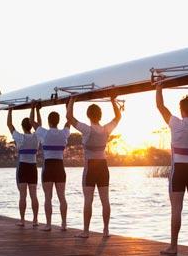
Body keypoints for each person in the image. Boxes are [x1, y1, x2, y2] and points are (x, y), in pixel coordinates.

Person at [155, 77, 188, 255]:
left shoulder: (175, 123)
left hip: (178, 169)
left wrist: (159, 86)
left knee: (176, 209)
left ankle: (173, 246)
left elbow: (160, 107)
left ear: (181, 110)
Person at [66, 95, 122, 238]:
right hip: (103, 167)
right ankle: (106, 231)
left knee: (88, 200)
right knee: (105, 200)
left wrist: (72, 100)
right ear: (100, 115)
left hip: (91, 167)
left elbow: (69, 118)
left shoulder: (87, 129)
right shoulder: (106, 130)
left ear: (88, 116)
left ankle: (86, 231)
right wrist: (112, 101)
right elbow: (118, 117)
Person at [32, 101, 70, 231]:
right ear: (58, 121)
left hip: (48, 167)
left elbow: (32, 122)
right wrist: (68, 105)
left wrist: (34, 108)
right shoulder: (64, 133)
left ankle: (48, 224)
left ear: (49, 122)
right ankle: (64, 224)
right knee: (62, 197)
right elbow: (69, 120)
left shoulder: (44, 133)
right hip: (60, 167)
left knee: (48, 197)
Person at [6, 107, 40, 227]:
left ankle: (22, 220)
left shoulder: (20, 138)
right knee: (33, 195)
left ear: (22, 126)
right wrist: (36, 109)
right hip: (33, 167)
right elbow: (39, 125)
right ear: (31, 126)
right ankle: (35, 220)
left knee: (23, 195)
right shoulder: (36, 137)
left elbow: (9, 124)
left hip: (23, 167)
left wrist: (10, 110)